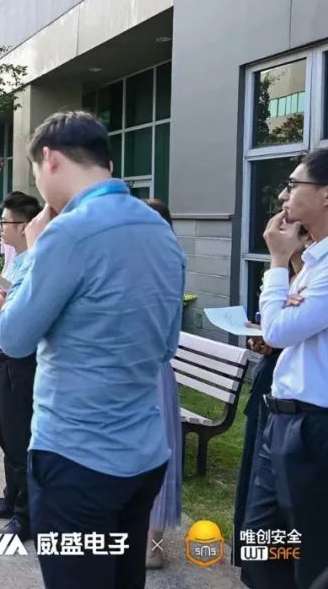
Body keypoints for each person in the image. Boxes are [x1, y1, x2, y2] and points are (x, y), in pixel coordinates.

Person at [0, 111, 185, 589]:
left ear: (50, 159)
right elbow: (166, 345)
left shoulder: (67, 233)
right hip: (143, 454)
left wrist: (32, 254)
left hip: (77, 458)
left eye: (35, 171)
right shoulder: (158, 227)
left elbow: (12, 339)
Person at [243, 147, 328, 589]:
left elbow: (277, 329)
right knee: (261, 547)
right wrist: (288, 269)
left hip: (314, 427)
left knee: (311, 554)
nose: (282, 195)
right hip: (282, 419)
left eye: (294, 185)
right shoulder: (313, 260)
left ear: (326, 194)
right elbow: (281, 324)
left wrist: (277, 263)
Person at [234, 236, 308, 586]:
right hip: (272, 386)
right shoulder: (289, 275)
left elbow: (287, 330)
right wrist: (263, 339)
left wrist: (274, 333)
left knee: (287, 504)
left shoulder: (315, 277)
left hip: (302, 405)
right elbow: (276, 329)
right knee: (257, 484)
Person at [0, 190, 42, 541]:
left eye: (5, 222)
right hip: (2, 355)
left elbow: (12, 308)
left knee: (19, 437)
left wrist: (0, 300)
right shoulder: (16, 259)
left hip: (21, 360)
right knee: (6, 434)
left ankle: (25, 516)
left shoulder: (36, 262)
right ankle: (11, 498)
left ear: (25, 225)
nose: (0, 228)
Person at [141, 198, 183, 570]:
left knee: (158, 449)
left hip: (151, 369)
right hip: (135, 369)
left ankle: (153, 543)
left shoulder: (166, 265)